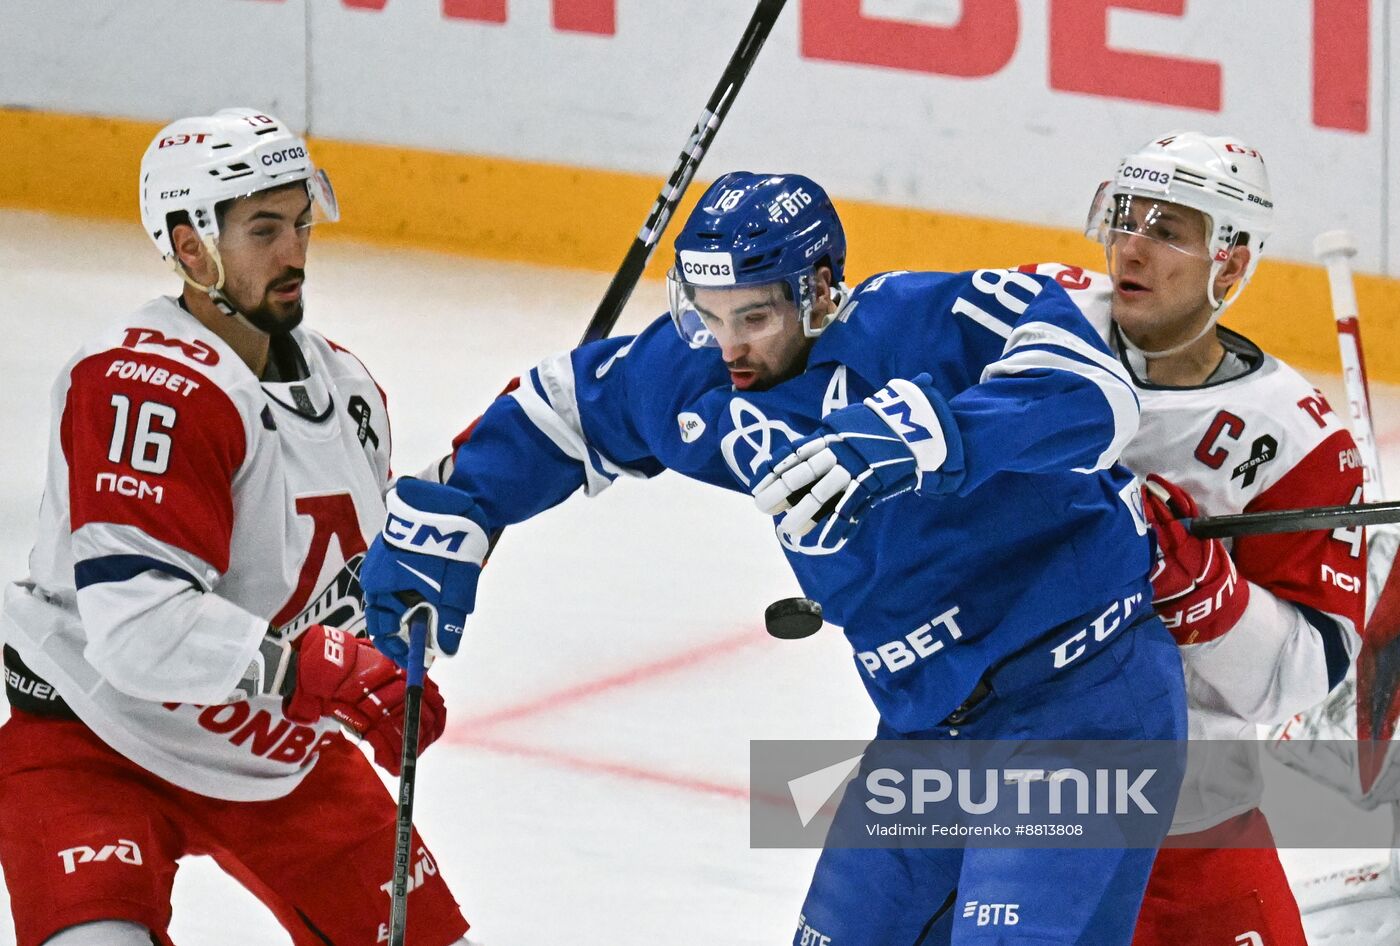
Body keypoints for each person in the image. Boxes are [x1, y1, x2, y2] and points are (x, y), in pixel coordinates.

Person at [359, 170, 1189, 945]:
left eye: (753, 316)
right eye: (707, 314)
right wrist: (449, 511)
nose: (727, 347)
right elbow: (566, 408)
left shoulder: (927, 320)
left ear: (821, 289)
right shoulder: (703, 372)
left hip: (1083, 710)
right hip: (925, 728)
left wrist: (927, 434)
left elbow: (1094, 394)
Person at [0, 108, 471, 946]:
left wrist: (389, 662)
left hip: (275, 759)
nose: (294, 253)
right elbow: (139, 630)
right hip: (99, 742)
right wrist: (316, 672)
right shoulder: (140, 385)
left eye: (299, 223)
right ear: (191, 248)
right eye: (264, 230)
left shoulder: (348, 387)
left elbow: (339, 590)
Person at [1019, 131, 1367, 945]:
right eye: (1126, 217)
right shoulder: (1034, 330)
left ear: (1232, 266)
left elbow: (1303, 675)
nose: (1131, 246)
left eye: (1168, 230)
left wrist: (1210, 598)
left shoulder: (1296, 440)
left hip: (1186, 828)